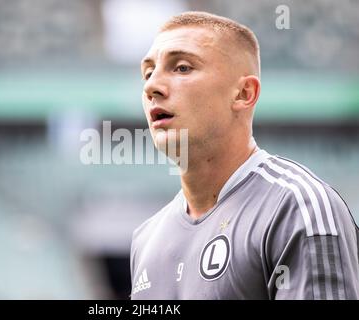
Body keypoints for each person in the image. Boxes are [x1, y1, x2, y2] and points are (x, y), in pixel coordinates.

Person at [130, 11, 359, 299]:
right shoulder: (145, 239)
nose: (151, 86)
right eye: (148, 73)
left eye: (182, 68)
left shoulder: (298, 207)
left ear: (244, 93)